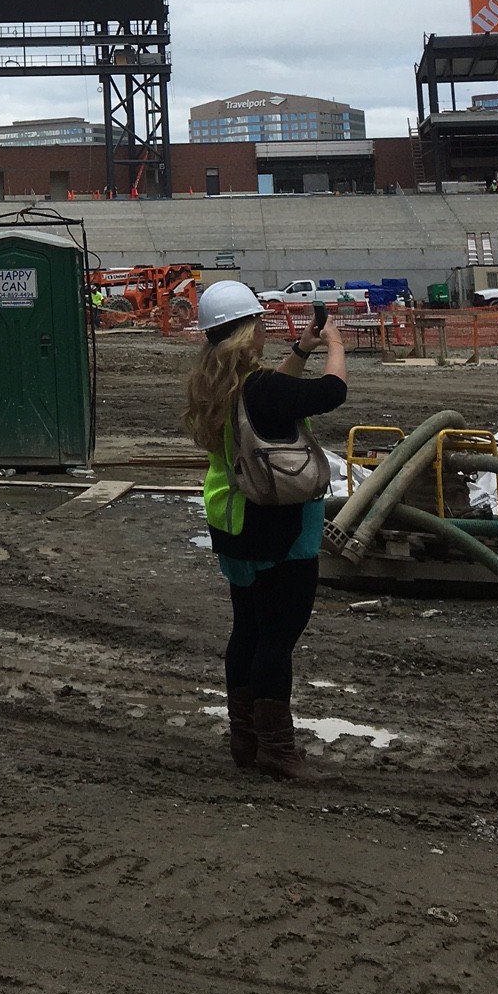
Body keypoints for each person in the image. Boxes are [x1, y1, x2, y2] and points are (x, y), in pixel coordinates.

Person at [185, 281, 347, 779]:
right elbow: (331, 392)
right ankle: (277, 750)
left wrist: (300, 351)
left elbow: (273, 396)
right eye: (258, 325)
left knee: (248, 630)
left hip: (233, 523)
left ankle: (246, 740)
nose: (262, 333)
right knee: (278, 636)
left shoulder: (216, 382)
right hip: (278, 527)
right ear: (247, 331)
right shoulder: (260, 389)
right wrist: (335, 346)